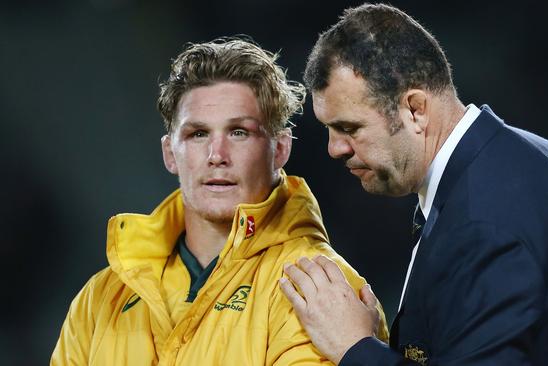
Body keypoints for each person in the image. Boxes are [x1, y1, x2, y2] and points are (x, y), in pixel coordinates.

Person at [279, 4, 548, 365]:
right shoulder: (525, 161)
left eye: (349, 128)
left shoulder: (485, 221)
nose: (334, 149)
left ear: (415, 110)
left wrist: (355, 349)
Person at [51, 37, 388, 365]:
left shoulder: (321, 290)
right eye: (198, 134)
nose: (217, 155)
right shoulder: (101, 299)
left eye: (239, 132)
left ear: (280, 149)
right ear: (170, 153)